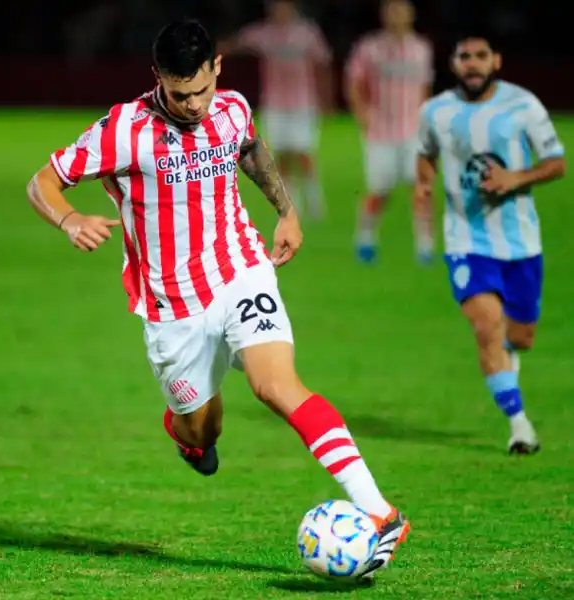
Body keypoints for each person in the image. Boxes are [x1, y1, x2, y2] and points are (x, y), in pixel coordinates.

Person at [26, 18, 409, 577]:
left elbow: (249, 147)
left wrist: (286, 210)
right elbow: (42, 182)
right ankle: (188, 438)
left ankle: (380, 512)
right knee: (202, 429)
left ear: (217, 69)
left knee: (275, 385)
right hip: (172, 309)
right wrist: (67, 220)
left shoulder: (229, 107)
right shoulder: (122, 130)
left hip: (240, 272)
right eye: (180, 94)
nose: (193, 104)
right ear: (157, 76)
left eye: (202, 89)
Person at [416, 32, 565, 454]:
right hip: (466, 239)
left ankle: (507, 367)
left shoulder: (523, 105)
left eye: (481, 56)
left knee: (520, 337)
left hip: (521, 241)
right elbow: (426, 152)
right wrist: (424, 183)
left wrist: (515, 179)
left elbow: (557, 163)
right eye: (465, 56)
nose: (473, 63)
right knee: (486, 328)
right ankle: (520, 426)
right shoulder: (436, 111)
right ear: (453, 63)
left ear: (496, 61)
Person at [219, 0, 333, 220]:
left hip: (303, 102)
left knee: (303, 153)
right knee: (281, 155)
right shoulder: (264, 33)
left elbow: (322, 63)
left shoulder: (307, 34)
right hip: (275, 103)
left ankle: (315, 201)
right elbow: (238, 43)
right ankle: (292, 203)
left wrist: (325, 98)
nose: (278, 10)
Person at [345, 0, 434, 264]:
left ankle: (425, 246)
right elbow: (353, 81)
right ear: (384, 14)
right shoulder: (370, 48)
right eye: (391, 10)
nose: (396, 15)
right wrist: (362, 113)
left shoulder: (421, 49)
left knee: (420, 188)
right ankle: (365, 238)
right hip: (380, 132)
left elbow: (424, 88)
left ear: (410, 14)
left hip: (413, 132)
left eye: (401, 10)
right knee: (379, 189)